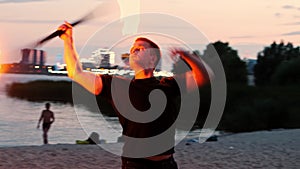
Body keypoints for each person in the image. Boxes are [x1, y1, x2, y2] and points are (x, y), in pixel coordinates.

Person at [58, 21, 210, 169]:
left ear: (153, 58)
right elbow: (75, 73)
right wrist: (68, 40)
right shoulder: (117, 86)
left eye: (140, 48)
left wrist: (188, 56)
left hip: (167, 164)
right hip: (136, 164)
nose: (134, 50)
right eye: (132, 49)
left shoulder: (169, 85)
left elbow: (205, 76)